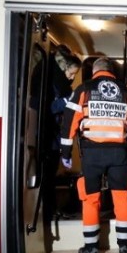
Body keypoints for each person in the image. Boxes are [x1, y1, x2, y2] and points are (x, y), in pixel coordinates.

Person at [59, 57, 127, 253]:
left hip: (92, 154)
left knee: (91, 199)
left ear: (95, 70)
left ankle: (91, 247)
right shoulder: (126, 92)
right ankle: (124, 245)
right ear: (111, 71)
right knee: (121, 197)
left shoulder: (83, 89)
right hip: (119, 153)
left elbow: (69, 122)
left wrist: (65, 152)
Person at [42, 45, 81, 223]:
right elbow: (48, 107)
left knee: (51, 176)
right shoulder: (52, 84)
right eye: (71, 73)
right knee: (47, 177)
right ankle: (48, 212)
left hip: (55, 137)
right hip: (47, 136)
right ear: (63, 67)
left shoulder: (62, 85)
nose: (72, 78)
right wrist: (66, 101)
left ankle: (52, 210)